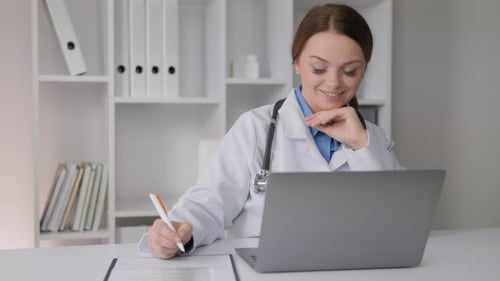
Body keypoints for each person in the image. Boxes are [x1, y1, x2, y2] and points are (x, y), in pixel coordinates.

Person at [140, 3, 403, 259]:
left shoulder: (374, 139)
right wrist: (177, 231)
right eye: (319, 68)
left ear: (364, 71)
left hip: (355, 268)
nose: (333, 83)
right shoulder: (256, 127)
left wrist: (360, 144)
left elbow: (399, 219)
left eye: (349, 71)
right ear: (297, 63)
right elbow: (209, 202)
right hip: (269, 268)